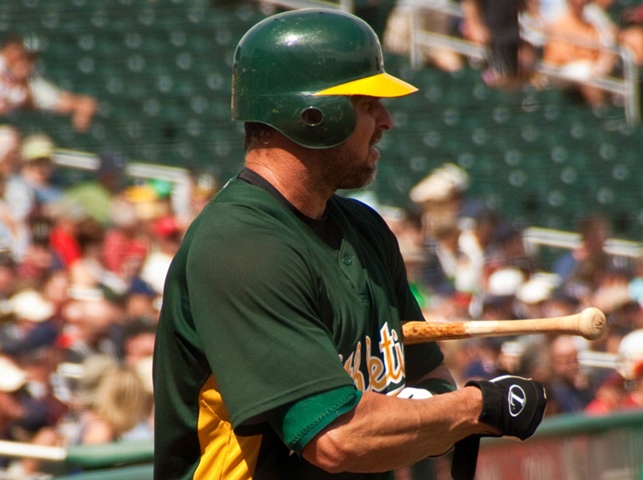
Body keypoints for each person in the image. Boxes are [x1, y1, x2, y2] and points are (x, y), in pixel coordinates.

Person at [153, 9, 547, 480]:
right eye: (367, 104)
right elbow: (337, 438)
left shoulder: (365, 229)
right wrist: (475, 406)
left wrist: (430, 412)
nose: (386, 120)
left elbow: (426, 378)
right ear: (312, 116)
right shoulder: (241, 245)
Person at [0, 35, 98, 132]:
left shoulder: (31, 81)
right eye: (17, 55)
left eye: (26, 58)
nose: (22, 62)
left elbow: (60, 102)